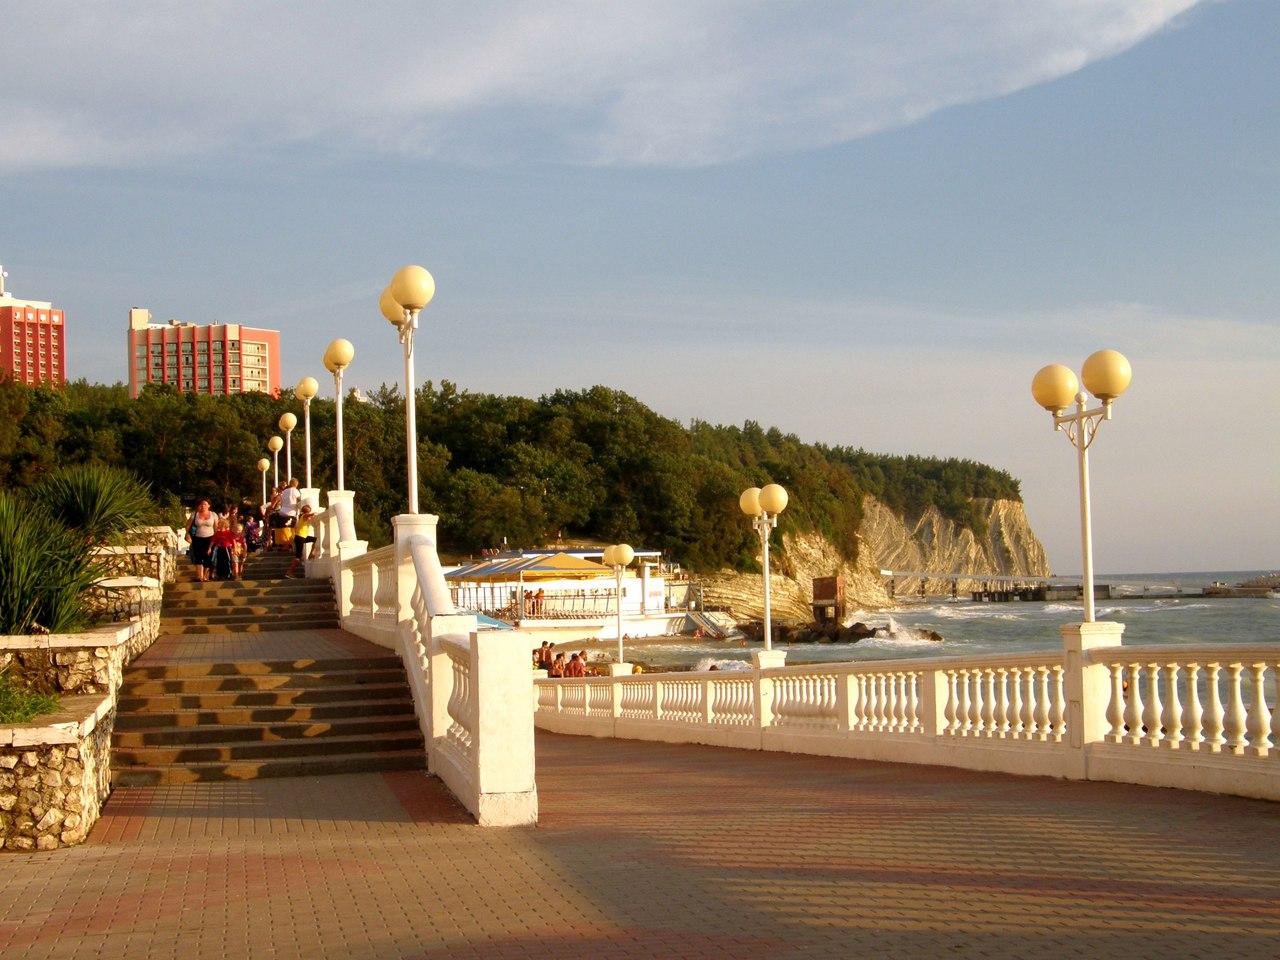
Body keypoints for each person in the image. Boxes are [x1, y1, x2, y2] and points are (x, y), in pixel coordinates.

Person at [184, 498, 220, 583]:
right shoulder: (195, 514)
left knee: (208, 557)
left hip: (210, 538)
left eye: (205, 504)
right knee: (198, 557)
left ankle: (205, 576)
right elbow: (188, 525)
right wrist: (187, 534)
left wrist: (217, 538)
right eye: (201, 504)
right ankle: (199, 576)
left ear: (209, 505)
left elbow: (216, 527)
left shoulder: (213, 514)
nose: (203, 506)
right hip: (197, 538)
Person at [285, 503, 316, 579]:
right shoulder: (304, 516)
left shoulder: (302, 517)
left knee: (315, 539)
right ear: (307, 512)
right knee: (298, 557)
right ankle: (289, 572)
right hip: (300, 538)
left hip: (302, 537)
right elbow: (307, 515)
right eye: (309, 511)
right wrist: (314, 513)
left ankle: (312, 552)